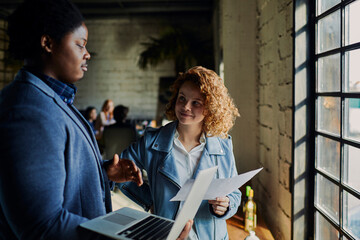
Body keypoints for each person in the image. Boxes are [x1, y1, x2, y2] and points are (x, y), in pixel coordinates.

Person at [0, 0, 191, 239]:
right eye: (80, 45)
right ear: (47, 43)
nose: (87, 53)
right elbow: (41, 225)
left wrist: (102, 172)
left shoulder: (50, 99)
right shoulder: (27, 112)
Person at [118, 66, 242, 239]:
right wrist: (150, 200)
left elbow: (234, 194)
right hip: (166, 236)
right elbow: (117, 172)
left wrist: (226, 206)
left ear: (210, 108)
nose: (186, 107)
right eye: (182, 98)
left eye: (196, 102)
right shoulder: (151, 142)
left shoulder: (223, 145)